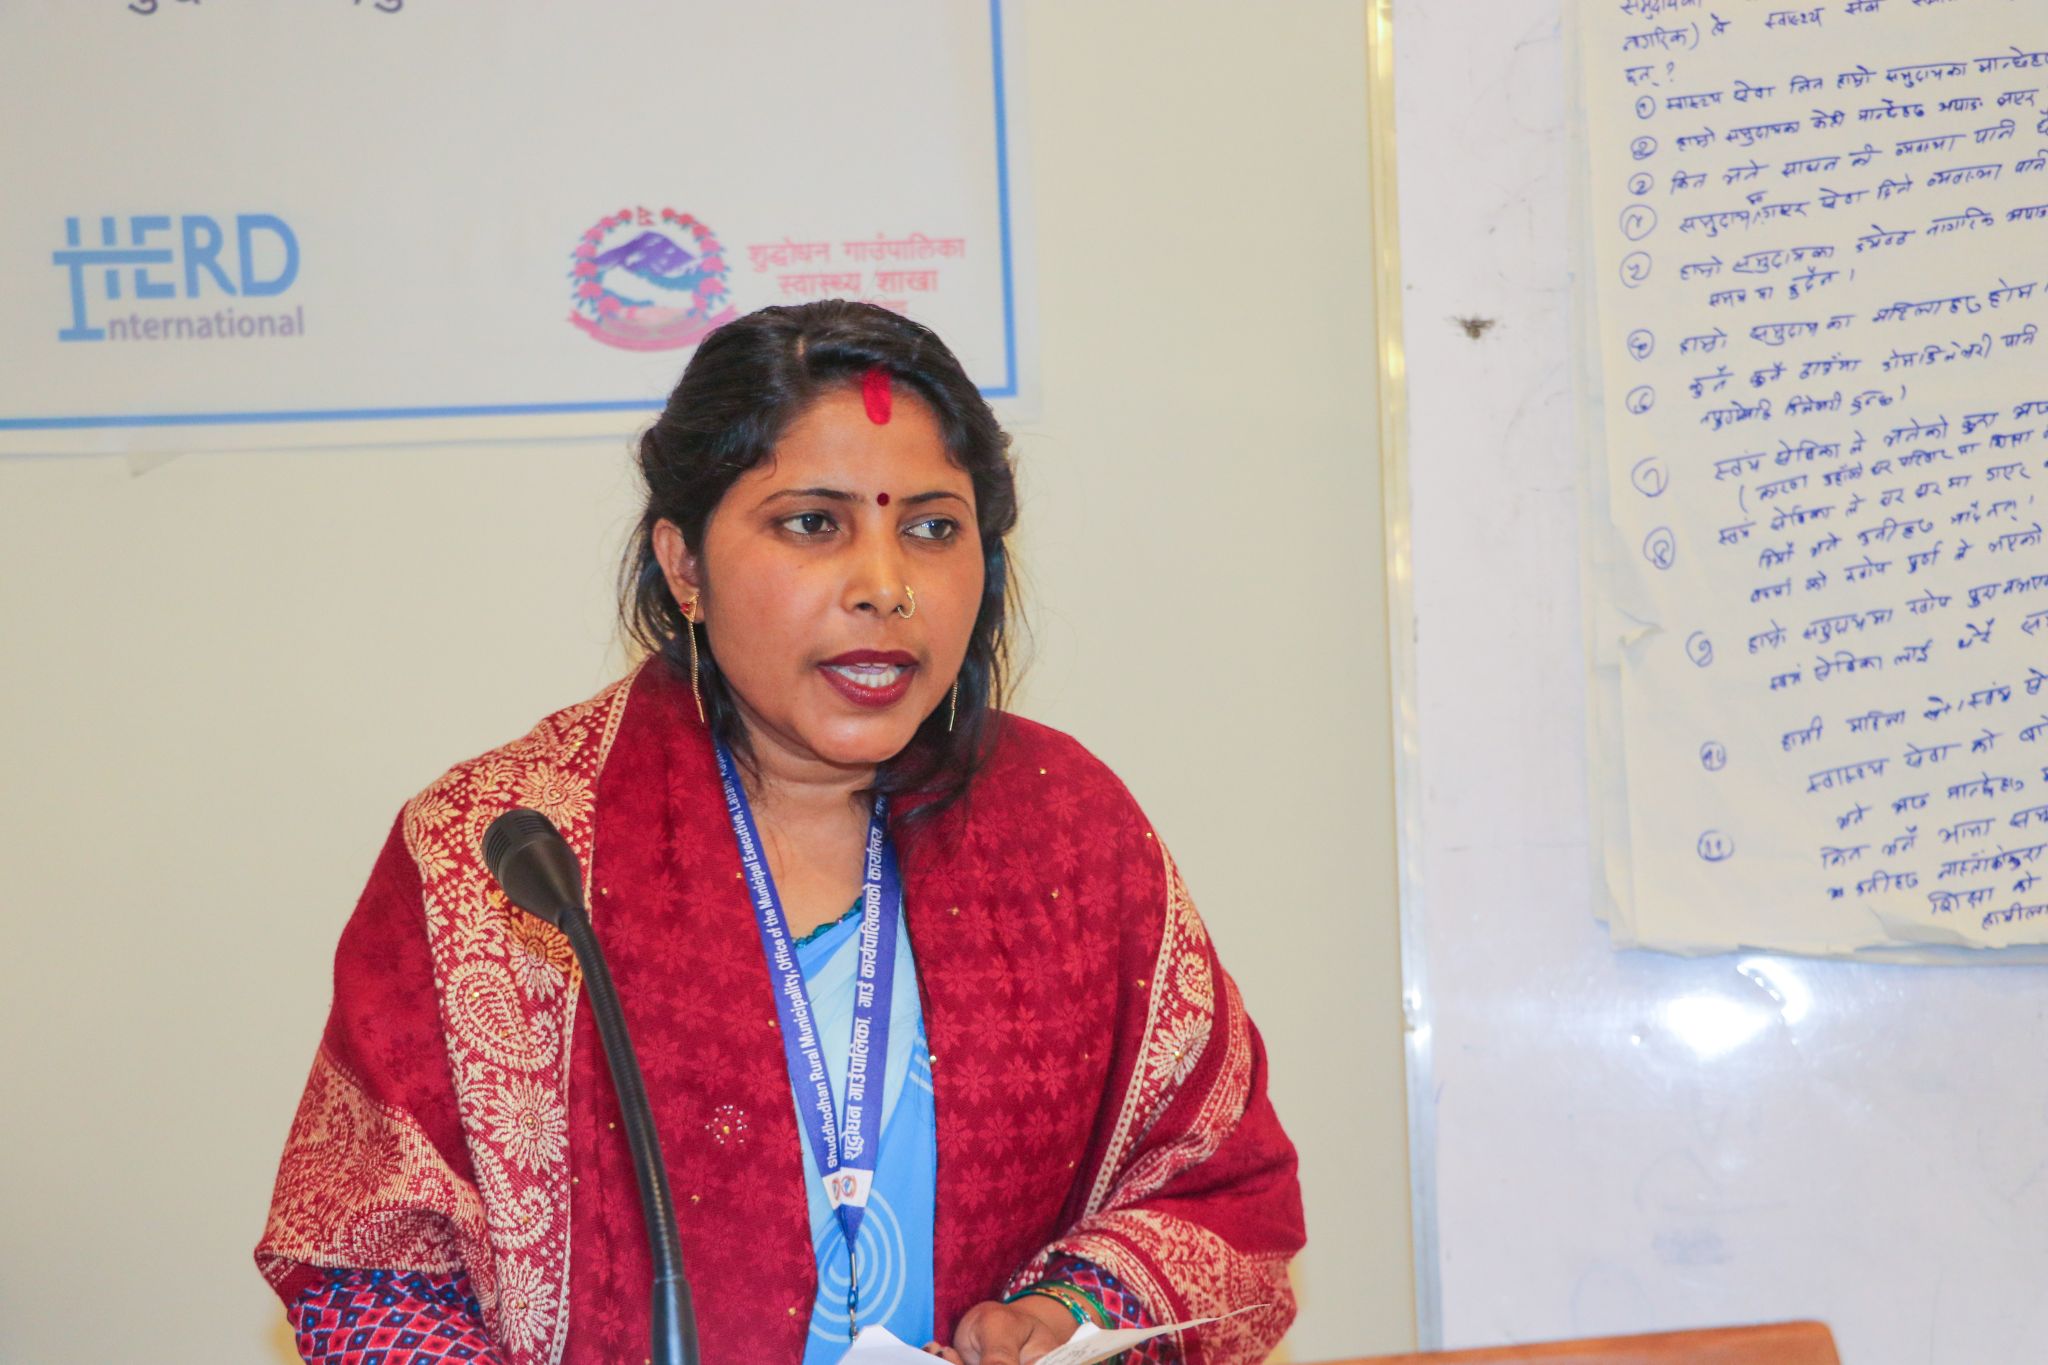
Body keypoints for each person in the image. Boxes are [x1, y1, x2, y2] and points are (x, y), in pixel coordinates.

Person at [256, 300, 1305, 1365]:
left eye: (933, 529)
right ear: (684, 566)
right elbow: (370, 1271)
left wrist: (1068, 1313)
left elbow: (1222, 1191)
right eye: (813, 523)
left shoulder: (1067, 835)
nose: (885, 588)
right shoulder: (508, 855)